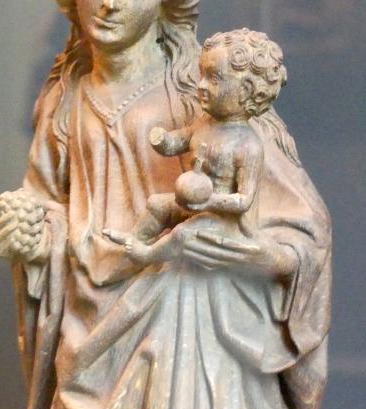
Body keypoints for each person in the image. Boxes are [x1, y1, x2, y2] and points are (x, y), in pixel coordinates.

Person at [0, 0, 332, 409]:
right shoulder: (63, 99)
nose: (111, 2)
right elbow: (49, 205)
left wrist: (243, 254)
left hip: (192, 332)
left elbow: (303, 236)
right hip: (88, 332)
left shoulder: (207, 93)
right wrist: (29, 230)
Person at [103, 28, 288, 267]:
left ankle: (147, 255)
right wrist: (163, 141)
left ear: (245, 91)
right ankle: (135, 240)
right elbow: (182, 140)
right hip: (193, 202)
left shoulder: (248, 146)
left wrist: (209, 202)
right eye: (202, 76)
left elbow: (244, 200)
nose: (201, 85)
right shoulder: (205, 123)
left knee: (183, 234)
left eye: (213, 79)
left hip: (224, 220)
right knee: (157, 204)